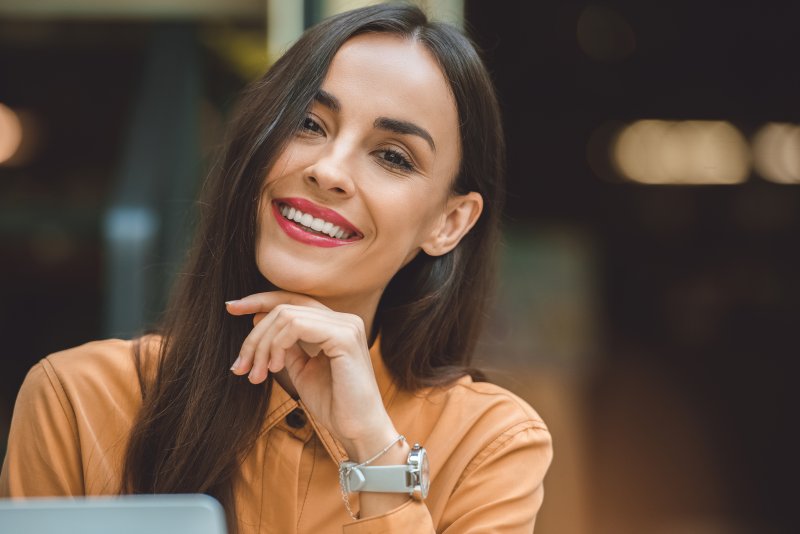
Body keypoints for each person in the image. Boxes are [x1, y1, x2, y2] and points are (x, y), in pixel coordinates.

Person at [0, 4, 552, 532]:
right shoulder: (78, 400)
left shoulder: (490, 441)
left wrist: (372, 446)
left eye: (392, 157)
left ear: (449, 223)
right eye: (308, 124)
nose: (329, 170)